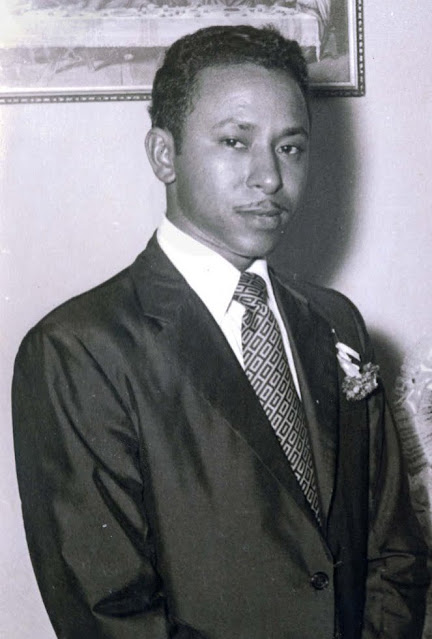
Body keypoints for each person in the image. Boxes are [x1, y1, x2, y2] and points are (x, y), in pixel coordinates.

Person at [12, 25, 429, 639]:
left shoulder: (336, 321)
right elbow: (111, 613)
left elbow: (395, 552)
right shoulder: (78, 349)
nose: (270, 177)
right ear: (164, 155)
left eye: (291, 147)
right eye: (235, 141)